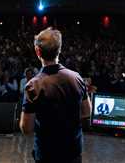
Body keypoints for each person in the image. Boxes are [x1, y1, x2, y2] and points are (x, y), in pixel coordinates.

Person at [19, 27, 91, 163]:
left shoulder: (33, 86)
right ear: (59, 50)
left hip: (47, 154)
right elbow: (87, 111)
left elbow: (26, 128)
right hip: (73, 152)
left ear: (37, 51)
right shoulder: (76, 78)